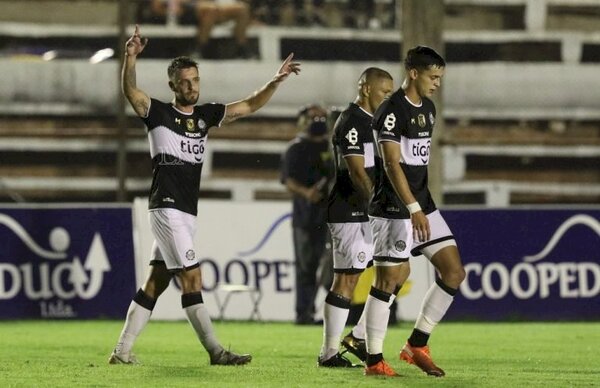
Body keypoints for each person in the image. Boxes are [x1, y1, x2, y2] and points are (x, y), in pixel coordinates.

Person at [108, 24, 300, 365]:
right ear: (172, 85)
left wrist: (276, 80)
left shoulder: (205, 116)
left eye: (195, 80)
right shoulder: (159, 114)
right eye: (184, 82)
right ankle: (216, 352)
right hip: (165, 207)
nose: (191, 86)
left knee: (156, 282)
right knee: (193, 277)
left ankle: (121, 352)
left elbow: (249, 106)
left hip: (186, 211)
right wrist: (130, 57)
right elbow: (131, 93)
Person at [363, 45, 466, 377]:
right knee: (388, 279)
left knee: (453, 272)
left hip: (422, 204)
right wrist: (412, 208)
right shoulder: (391, 111)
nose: (436, 83)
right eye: (432, 76)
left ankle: (416, 344)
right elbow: (393, 166)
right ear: (413, 73)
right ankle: (374, 361)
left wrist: (421, 206)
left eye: (439, 77)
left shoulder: (430, 109)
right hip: (394, 207)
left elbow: (416, 162)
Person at [316, 68, 394, 367]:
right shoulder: (351, 122)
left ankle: (359, 335)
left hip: (371, 212)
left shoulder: (376, 123)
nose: (388, 97)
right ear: (365, 89)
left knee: (396, 272)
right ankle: (328, 353)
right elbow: (357, 171)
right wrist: (379, 203)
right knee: (346, 280)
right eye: (384, 92)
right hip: (350, 211)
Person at [281, 105, 334, 325]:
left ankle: (331, 312)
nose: (318, 120)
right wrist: (306, 193)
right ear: (303, 120)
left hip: (329, 216)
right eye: (313, 117)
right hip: (305, 216)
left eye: (322, 116)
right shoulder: (296, 148)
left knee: (330, 269)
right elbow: (287, 179)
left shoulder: (332, 147)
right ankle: (304, 314)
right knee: (306, 267)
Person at [149, 0, 254, 58]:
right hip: (185, 11)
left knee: (242, 9)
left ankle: (241, 46)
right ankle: (199, 47)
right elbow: (157, 7)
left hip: (211, 7)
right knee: (210, 11)